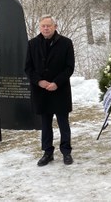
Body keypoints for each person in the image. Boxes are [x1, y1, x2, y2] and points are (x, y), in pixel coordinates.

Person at [25, 14, 75, 166]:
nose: (46, 28)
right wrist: (39, 81)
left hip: (59, 90)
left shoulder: (66, 43)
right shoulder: (32, 43)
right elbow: (28, 68)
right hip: (41, 91)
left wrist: (56, 83)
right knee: (45, 124)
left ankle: (66, 152)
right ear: (40, 27)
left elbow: (69, 68)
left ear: (55, 27)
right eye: (43, 26)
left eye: (49, 25)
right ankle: (48, 152)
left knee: (63, 123)